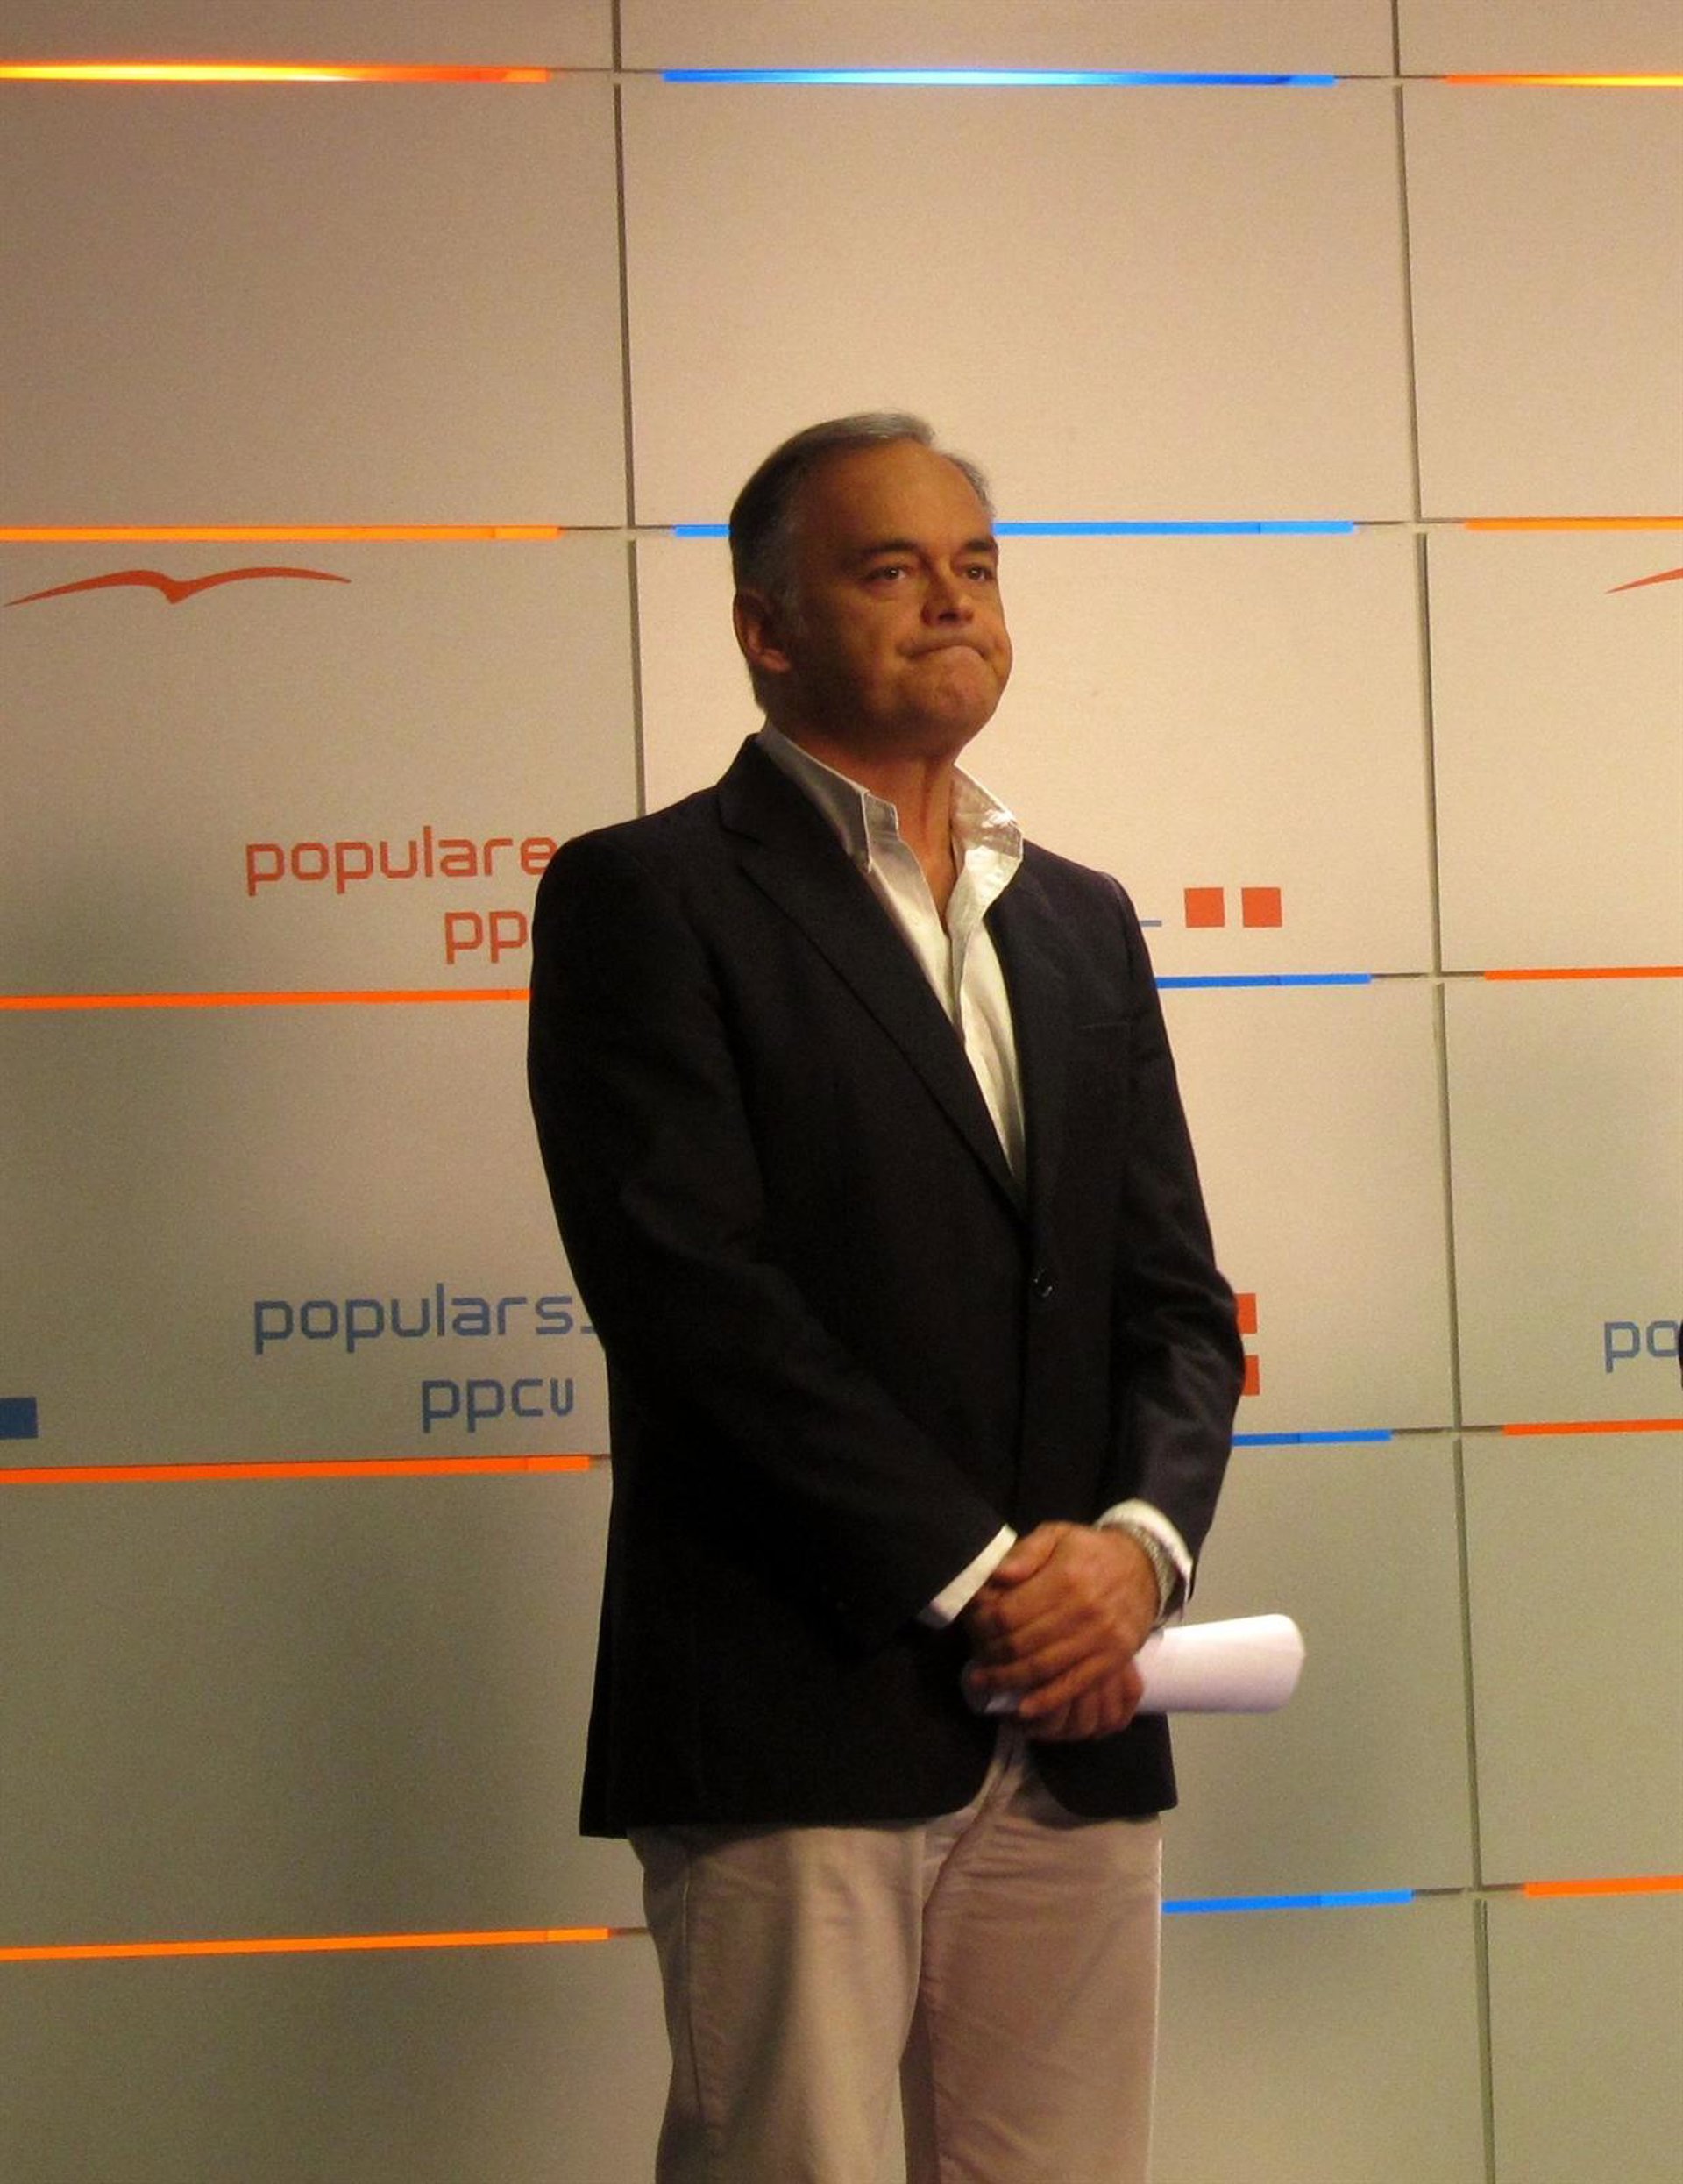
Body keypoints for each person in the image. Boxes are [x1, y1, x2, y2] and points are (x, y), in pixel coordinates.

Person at [528, 414, 1244, 2184]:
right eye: (890, 567)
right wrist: (990, 1578)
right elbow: (694, 1299)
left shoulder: (1081, 919)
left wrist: (1135, 1556)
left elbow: (1172, 1300)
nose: (953, 602)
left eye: (977, 565)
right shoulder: (649, 894)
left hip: (1081, 1718)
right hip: (798, 1705)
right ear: (765, 627)